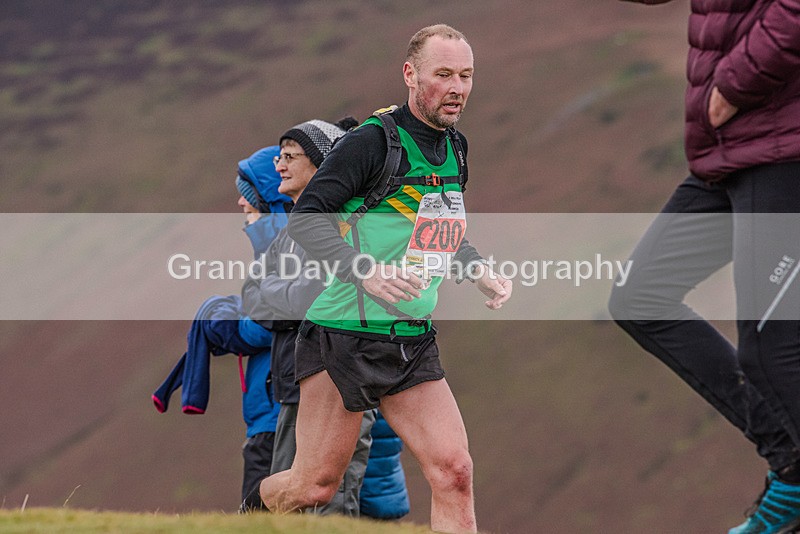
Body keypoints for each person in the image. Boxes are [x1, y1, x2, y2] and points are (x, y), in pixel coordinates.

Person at [260, 24, 512, 534]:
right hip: (343, 335)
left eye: (466, 75)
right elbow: (308, 217)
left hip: (411, 341)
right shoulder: (372, 142)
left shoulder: (456, 147)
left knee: (455, 472)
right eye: (443, 74)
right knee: (314, 486)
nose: (458, 87)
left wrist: (475, 267)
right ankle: (247, 516)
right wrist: (364, 270)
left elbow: (434, 225)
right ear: (410, 74)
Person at [609, 1, 800, 533]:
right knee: (640, 296)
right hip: (730, 150)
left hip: (784, 146)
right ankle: (792, 464)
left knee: (772, 350)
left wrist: (735, 85)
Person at [242, 117, 398, 517]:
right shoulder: (287, 231)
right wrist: (278, 297)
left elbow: (308, 298)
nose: (280, 164)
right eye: (280, 156)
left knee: (327, 502)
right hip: (295, 384)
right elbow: (251, 297)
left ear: (322, 165)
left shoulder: (338, 226)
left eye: (291, 156)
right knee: (291, 505)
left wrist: (273, 295)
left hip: (336, 385)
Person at [153, 145, 293, 513]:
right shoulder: (283, 242)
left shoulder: (283, 244)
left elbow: (270, 323)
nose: (239, 202)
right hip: (276, 409)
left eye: (248, 195)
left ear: (268, 201)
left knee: (259, 515)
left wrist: (226, 325)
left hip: (276, 412)